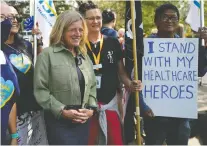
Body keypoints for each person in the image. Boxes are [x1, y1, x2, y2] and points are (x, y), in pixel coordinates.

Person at [78, 1, 146, 145]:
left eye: (98, 17)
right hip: (86, 108)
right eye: (91, 18)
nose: (95, 21)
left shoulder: (112, 42)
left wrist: (130, 84)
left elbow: (121, 72)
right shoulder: (78, 45)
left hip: (109, 104)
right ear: (83, 20)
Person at [143, 3, 207, 145]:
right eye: (165, 17)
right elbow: (139, 78)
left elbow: (200, 71)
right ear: (156, 21)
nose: (170, 21)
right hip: (154, 114)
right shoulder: (146, 46)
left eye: (174, 17)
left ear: (178, 21)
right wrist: (143, 105)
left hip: (180, 115)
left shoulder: (186, 47)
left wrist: (205, 45)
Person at [33, 10, 97, 145]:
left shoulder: (85, 57)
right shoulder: (47, 55)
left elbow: (92, 87)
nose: (78, 34)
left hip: (83, 122)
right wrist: (62, 111)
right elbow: (40, 90)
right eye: (73, 30)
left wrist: (91, 109)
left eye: (80, 30)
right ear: (61, 31)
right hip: (58, 124)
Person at [2, 6, 42, 116]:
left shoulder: (26, 44)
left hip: (33, 109)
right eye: (10, 18)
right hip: (11, 113)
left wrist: (39, 41)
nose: (15, 21)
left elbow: (40, 67)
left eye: (17, 17)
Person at [1, 2, 19, 145]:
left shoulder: (3, 56)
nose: (7, 22)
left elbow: (9, 99)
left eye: (9, 18)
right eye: (1, 17)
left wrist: (14, 135)